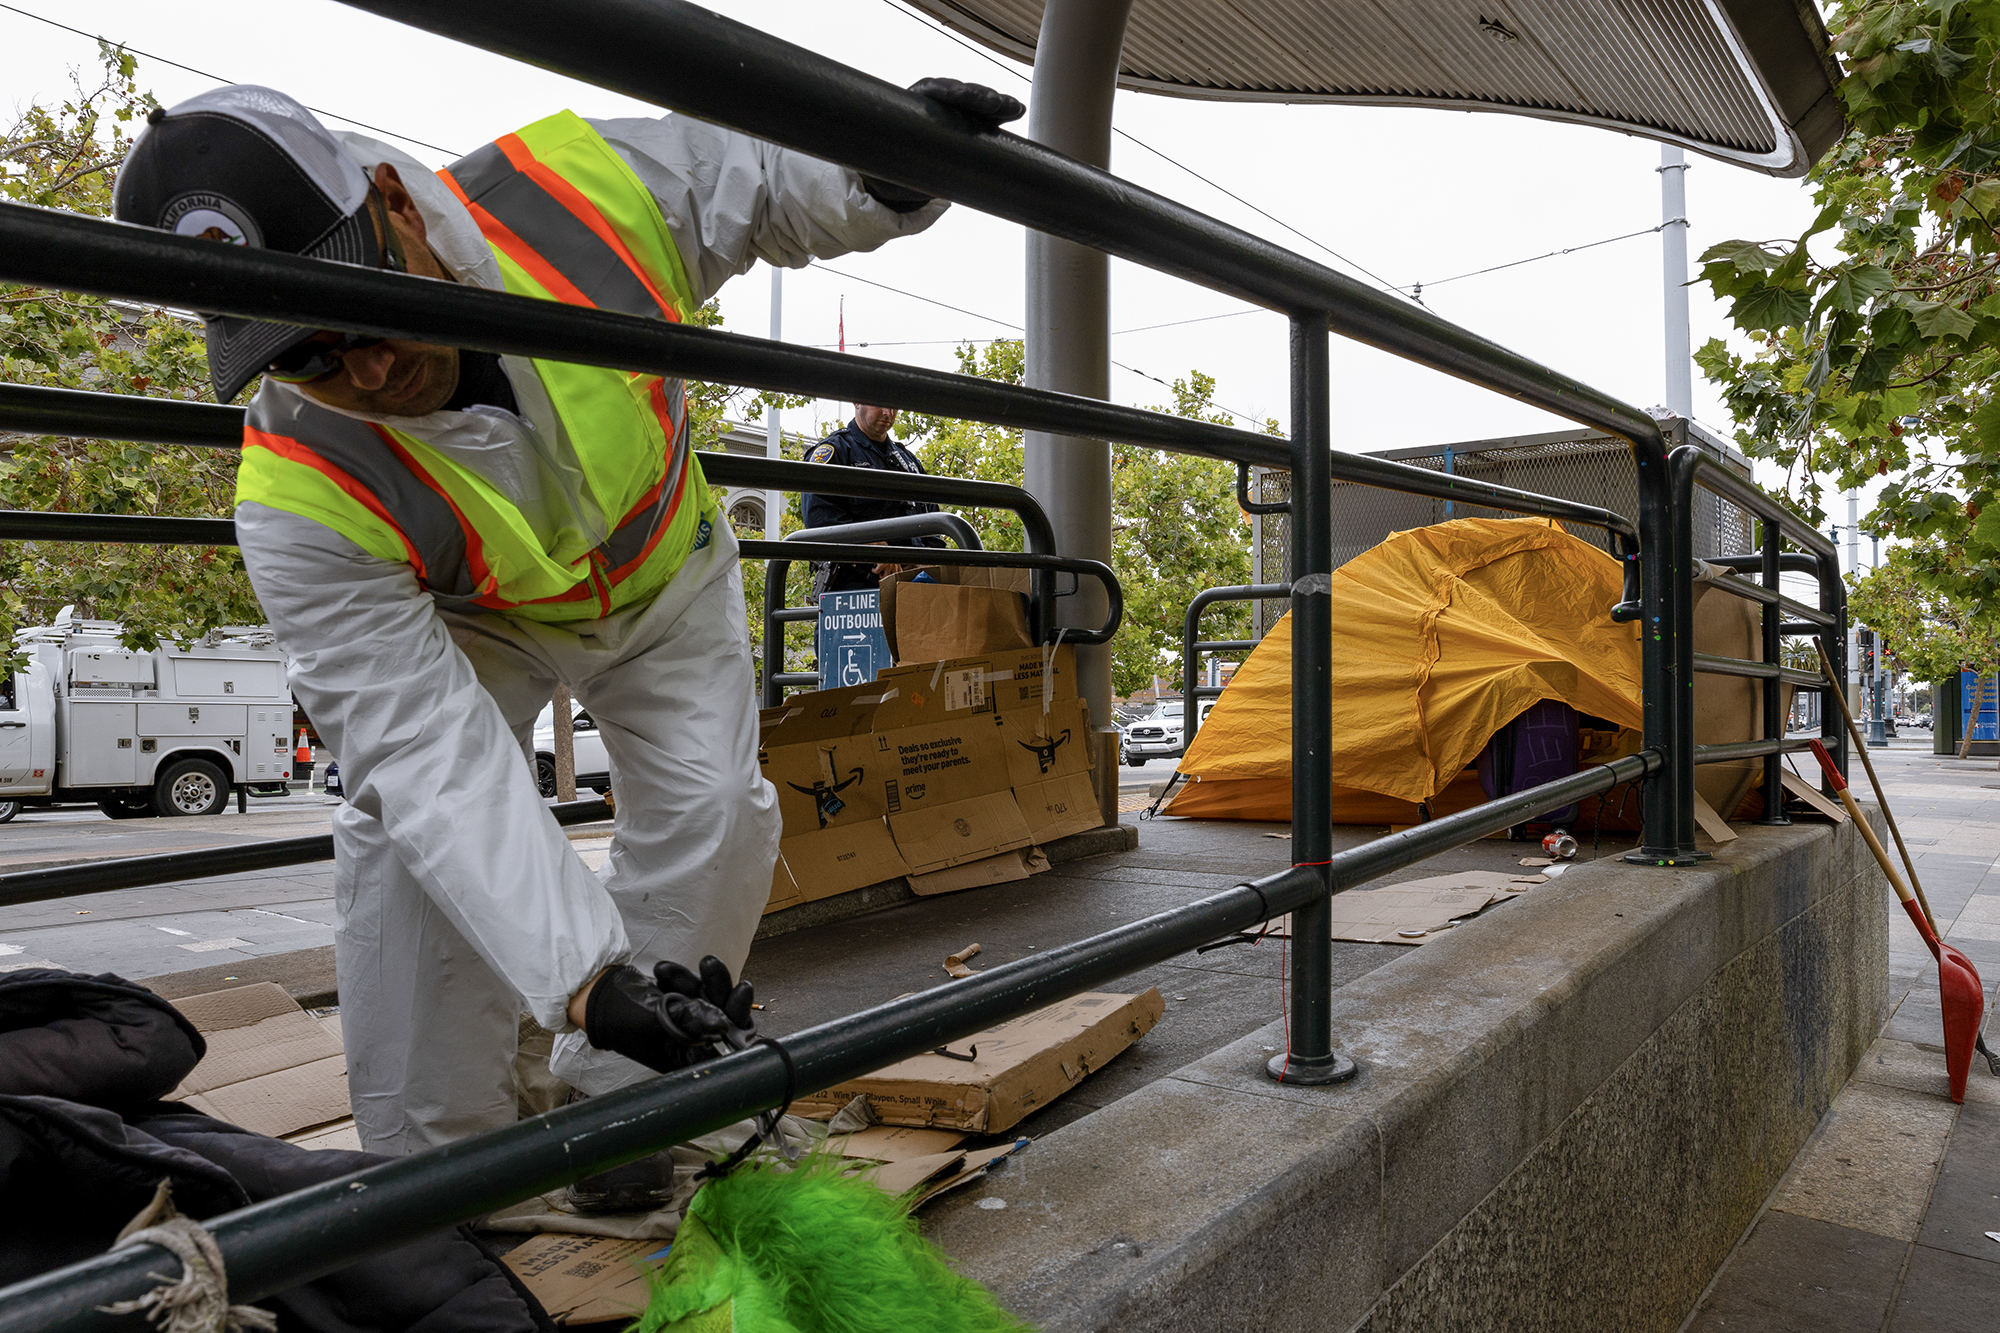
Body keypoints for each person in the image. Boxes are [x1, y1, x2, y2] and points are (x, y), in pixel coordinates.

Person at [112, 78, 1022, 1157]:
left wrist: (873, 170)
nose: (364, 367)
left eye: (361, 302)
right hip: (471, 613)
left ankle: (622, 1107)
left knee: (717, 812)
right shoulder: (297, 493)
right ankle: (439, 1162)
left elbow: (753, 175)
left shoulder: (573, 193)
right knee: (406, 847)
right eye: (304, 353)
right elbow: (425, 759)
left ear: (397, 204)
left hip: (658, 573)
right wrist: (588, 980)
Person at [801, 404, 945, 594]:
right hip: (854, 591)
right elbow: (819, 521)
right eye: (880, 404)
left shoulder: (909, 462)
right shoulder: (835, 452)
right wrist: (871, 548)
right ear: (857, 402)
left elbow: (933, 521)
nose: (888, 413)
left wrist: (923, 559)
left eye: (894, 406)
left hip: (912, 587)